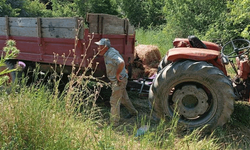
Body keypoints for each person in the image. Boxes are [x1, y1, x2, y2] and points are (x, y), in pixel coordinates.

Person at [95, 38, 138, 126]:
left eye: (100, 46)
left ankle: (114, 123)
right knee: (124, 98)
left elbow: (121, 62)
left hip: (119, 81)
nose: (98, 48)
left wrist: (118, 74)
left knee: (114, 101)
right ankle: (134, 113)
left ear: (105, 47)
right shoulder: (107, 52)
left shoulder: (111, 54)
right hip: (120, 80)